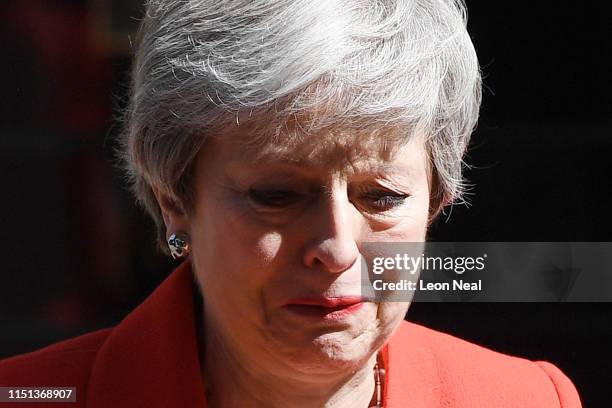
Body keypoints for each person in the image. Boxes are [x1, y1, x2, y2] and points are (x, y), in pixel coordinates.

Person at [0, 0, 581, 406]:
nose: (335, 248)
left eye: (381, 196)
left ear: (437, 196)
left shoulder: (526, 399)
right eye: (275, 196)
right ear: (174, 197)